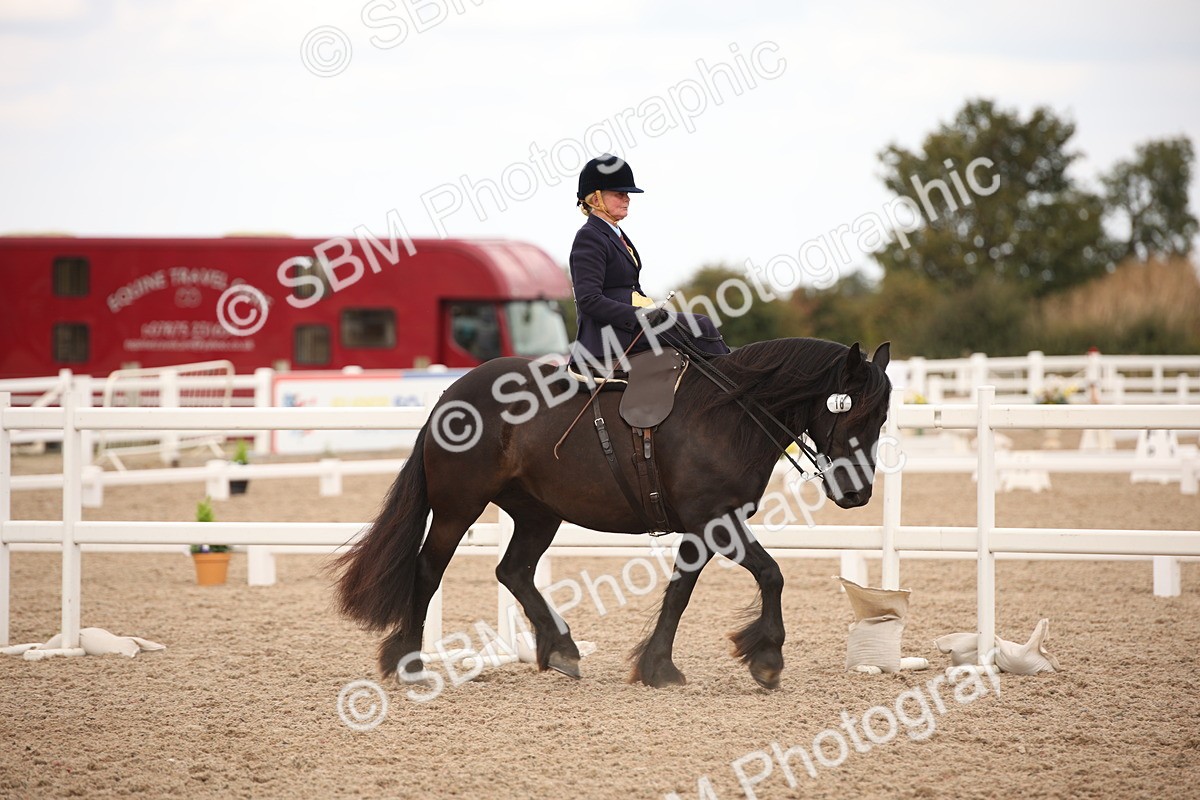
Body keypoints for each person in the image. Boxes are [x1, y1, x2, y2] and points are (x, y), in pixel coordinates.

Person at [568, 154, 729, 373]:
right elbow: (589, 300)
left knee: (701, 325)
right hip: (608, 335)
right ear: (596, 199)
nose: (627, 199)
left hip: (631, 325)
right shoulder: (589, 236)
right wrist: (640, 316)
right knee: (701, 327)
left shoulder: (615, 234)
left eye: (627, 194)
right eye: (620, 194)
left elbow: (631, 288)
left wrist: (651, 309)